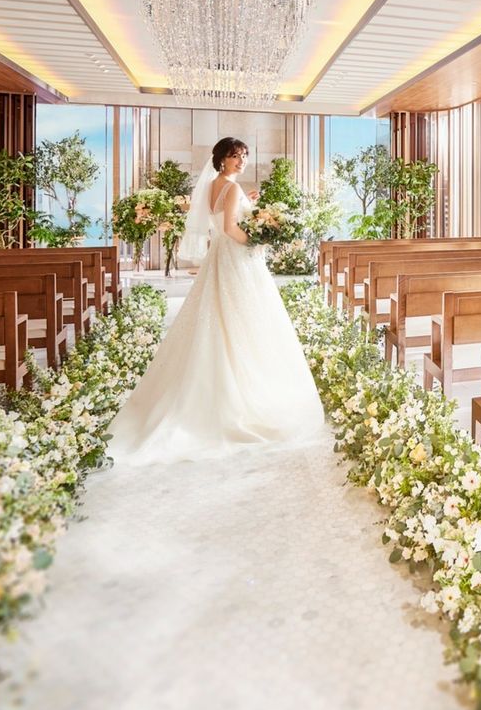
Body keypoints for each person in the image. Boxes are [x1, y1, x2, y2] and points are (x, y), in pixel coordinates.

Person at [107, 137, 326, 465]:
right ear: (222, 159)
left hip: (218, 258)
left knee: (217, 316)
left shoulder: (213, 186)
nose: (241, 161)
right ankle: (241, 394)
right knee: (245, 320)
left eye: (244, 156)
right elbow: (231, 229)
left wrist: (249, 203)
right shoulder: (232, 188)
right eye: (235, 156)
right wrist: (257, 241)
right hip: (237, 259)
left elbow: (222, 217)